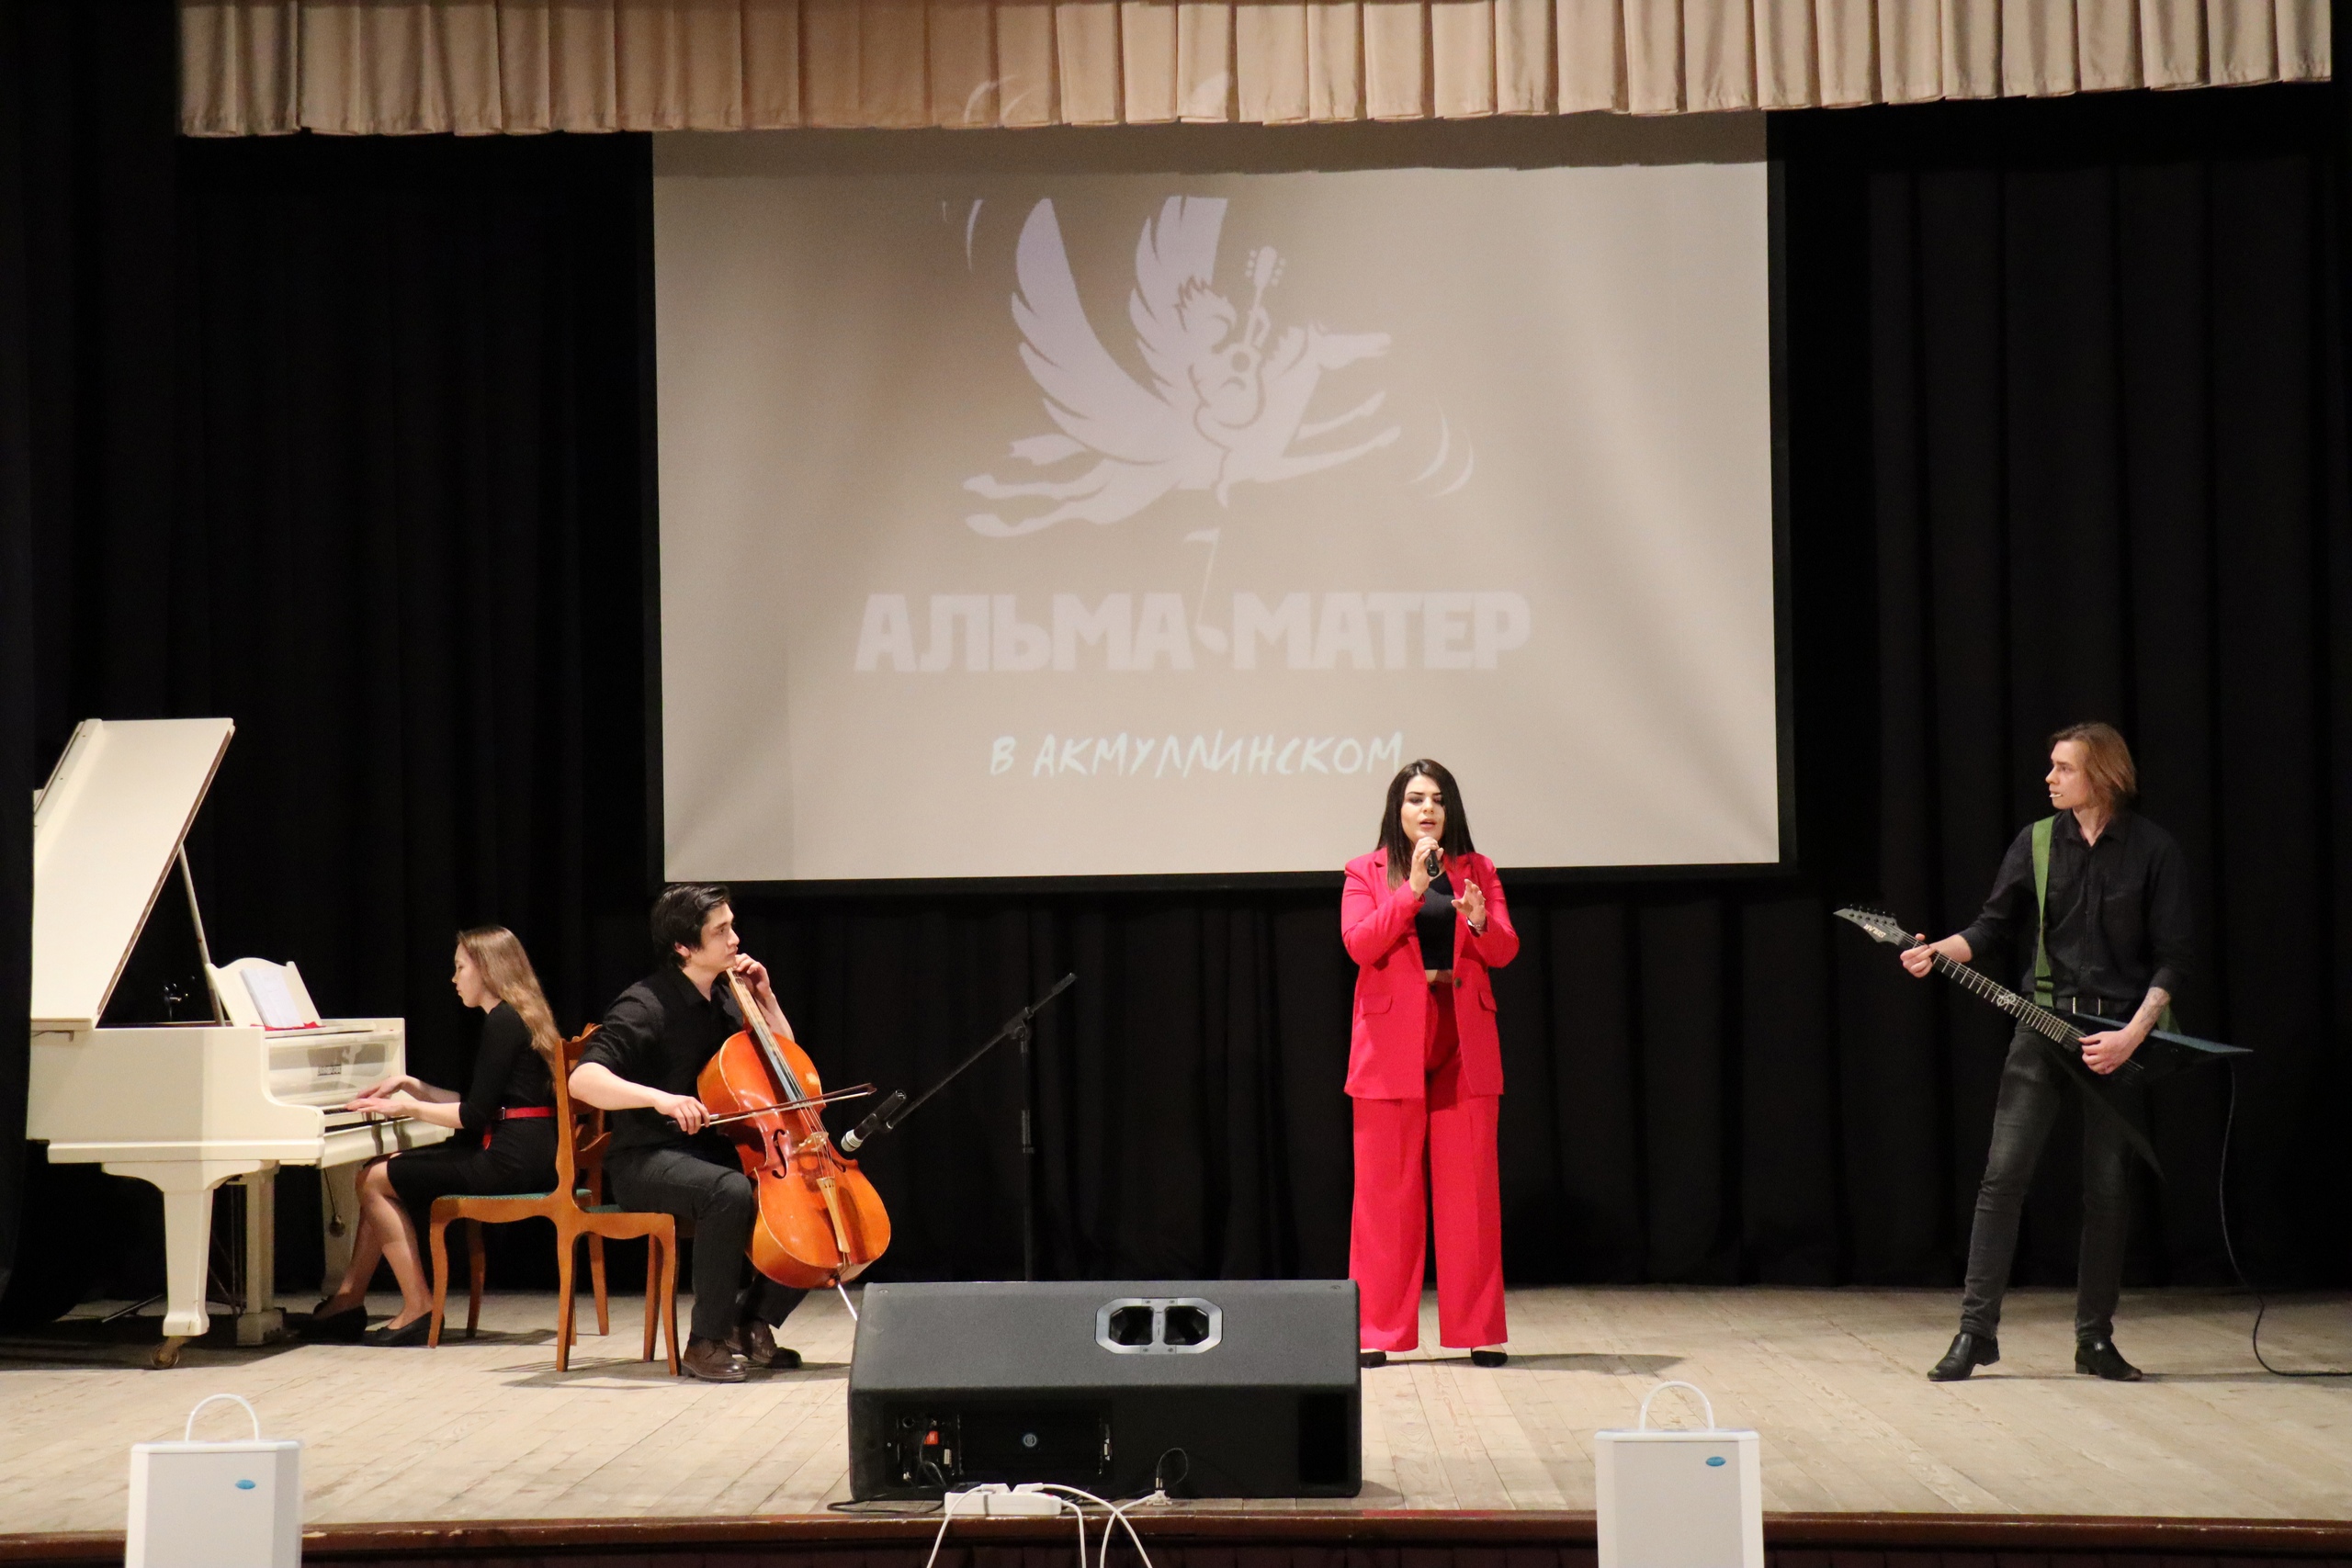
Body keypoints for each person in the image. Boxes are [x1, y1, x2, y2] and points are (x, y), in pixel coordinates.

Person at [1904, 722, 2192, 1382]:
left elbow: (2174, 958)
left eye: (2065, 767)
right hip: (2042, 1026)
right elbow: (1991, 927)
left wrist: (2131, 1036)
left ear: (2104, 776)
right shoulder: (2036, 842)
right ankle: (1975, 1333)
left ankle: (2094, 1339)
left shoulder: (2154, 850)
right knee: (2002, 1177)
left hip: (2116, 1037)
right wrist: (1936, 951)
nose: (2050, 777)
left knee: (2107, 1189)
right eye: (2052, 766)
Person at [568, 884, 808, 1382]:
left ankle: (752, 1320)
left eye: (732, 927)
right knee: (728, 1192)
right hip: (645, 1160)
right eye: (721, 931)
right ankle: (705, 1342)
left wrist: (766, 998)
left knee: (807, 1193)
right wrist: (660, 1098)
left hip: (708, 1152)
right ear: (683, 946)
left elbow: (786, 1064)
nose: (735, 939)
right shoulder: (644, 1005)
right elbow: (583, 1079)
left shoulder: (727, 995)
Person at [305, 927, 562, 1347]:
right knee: (377, 1175)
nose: (454, 978)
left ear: (487, 969)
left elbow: (473, 1117)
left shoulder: (503, 1021)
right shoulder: (517, 1016)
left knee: (372, 1179)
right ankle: (348, 1299)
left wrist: (406, 1108)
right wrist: (412, 1086)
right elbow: (480, 1102)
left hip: (509, 1161)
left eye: (460, 967)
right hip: (528, 1152)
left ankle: (418, 1307)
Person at [1341, 759, 1518, 1368]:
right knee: (1385, 1195)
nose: (1427, 809)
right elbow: (1360, 943)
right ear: (1398, 810)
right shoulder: (1365, 871)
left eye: (1438, 799)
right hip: (1391, 1042)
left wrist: (1478, 918)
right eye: (1416, 798)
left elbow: (1504, 949)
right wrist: (1412, 889)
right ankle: (1377, 1330)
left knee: (1471, 1192)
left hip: (1462, 1038)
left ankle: (1479, 1329)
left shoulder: (1479, 870)